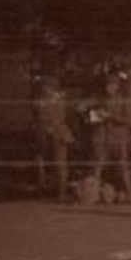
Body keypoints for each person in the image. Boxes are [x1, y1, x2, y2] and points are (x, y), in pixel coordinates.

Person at [89, 70, 131, 201]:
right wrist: (96, 116)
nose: (110, 87)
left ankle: (130, 194)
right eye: (108, 85)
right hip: (103, 137)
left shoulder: (124, 100)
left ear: (117, 86)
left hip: (119, 138)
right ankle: (92, 195)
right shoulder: (100, 99)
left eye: (113, 85)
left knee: (123, 166)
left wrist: (111, 117)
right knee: (98, 165)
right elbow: (92, 119)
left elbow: (130, 119)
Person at [32, 74, 75, 203]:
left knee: (60, 164)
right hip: (46, 134)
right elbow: (39, 118)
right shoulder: (43, 101)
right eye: (45, 87)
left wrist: (50, 126)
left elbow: (60, 117)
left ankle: (61, 194)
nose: (46, 89)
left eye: (48, 87)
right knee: (51, 164)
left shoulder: (56, 100)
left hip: (58, 134)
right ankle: (53, 192)